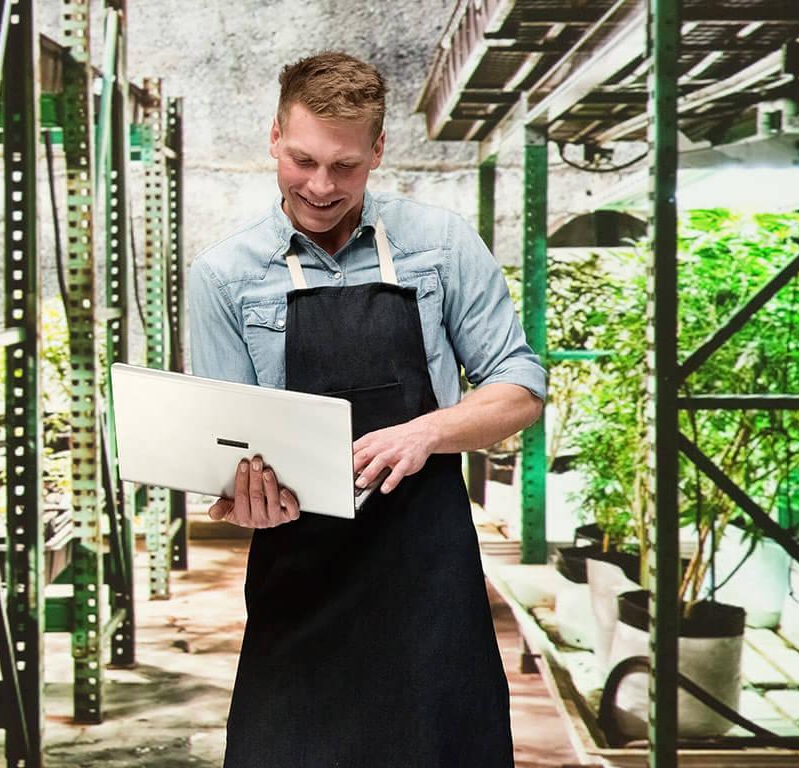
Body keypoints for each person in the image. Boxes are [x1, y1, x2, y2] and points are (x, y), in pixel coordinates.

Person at [188, 51, 546, 768]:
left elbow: (520, 387)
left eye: (345, 167)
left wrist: (431, 430)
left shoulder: (439, 247)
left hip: (426, 569)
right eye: (302, 160)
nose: (321, 186)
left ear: (378, 149)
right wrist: (240, 496)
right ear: (274, 138)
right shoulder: (224, 276)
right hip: (300, 574)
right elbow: (221, 454)